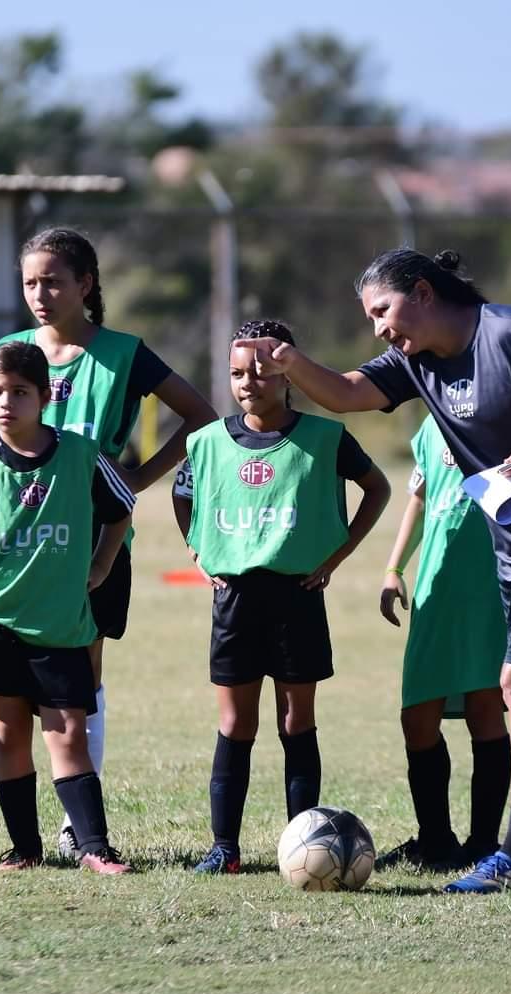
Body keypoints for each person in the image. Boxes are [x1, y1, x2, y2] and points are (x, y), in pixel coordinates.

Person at [233, 248, 511, 893]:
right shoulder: (416, 361)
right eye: (370, 318)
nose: (379, 328)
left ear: (421, 292)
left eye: (383, 310)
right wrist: (292, 364)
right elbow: (351, 393)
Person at [0, 226, 215, 859]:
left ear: (86, 285)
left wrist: (137, 478)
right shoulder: (8, 349)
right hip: (10, 553)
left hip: (89, 549)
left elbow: (200, 414)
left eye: (53, 281)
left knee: (77, 690)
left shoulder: (125, 353)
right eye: (29, 283)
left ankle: (78, 833)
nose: (40, 294)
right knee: (3, 694)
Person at [173, 319, 390, 874]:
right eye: (237, 373)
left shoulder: (324, 438)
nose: (249, 382)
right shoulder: (205, 442)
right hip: (236, 600)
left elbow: (377, 489)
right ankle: (225, 847)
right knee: (235, 725)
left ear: (286, 374)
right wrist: (199, 549)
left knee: (296, 723)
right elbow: (183, 496)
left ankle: (308, 840)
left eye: (262, 372)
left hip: (297, 595)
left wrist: (335, 556)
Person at [0, 340, 134, 873]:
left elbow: (122, 509)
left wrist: (100, 565)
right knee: (7, 733)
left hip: (60, 624)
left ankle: (94, 848)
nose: (6, 402)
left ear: (45, 396)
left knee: (67, 732)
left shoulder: (81, 455)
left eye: (20, 392)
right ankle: (25, 850)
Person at [374, 413, 511, 872]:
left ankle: (484, 846)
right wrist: (394, 569)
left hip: (492, 582)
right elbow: (420, 495)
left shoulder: (509, 416)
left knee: (485, 706)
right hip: (437, 582)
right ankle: (435, 841)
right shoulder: (431, 425)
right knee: (417, 716)